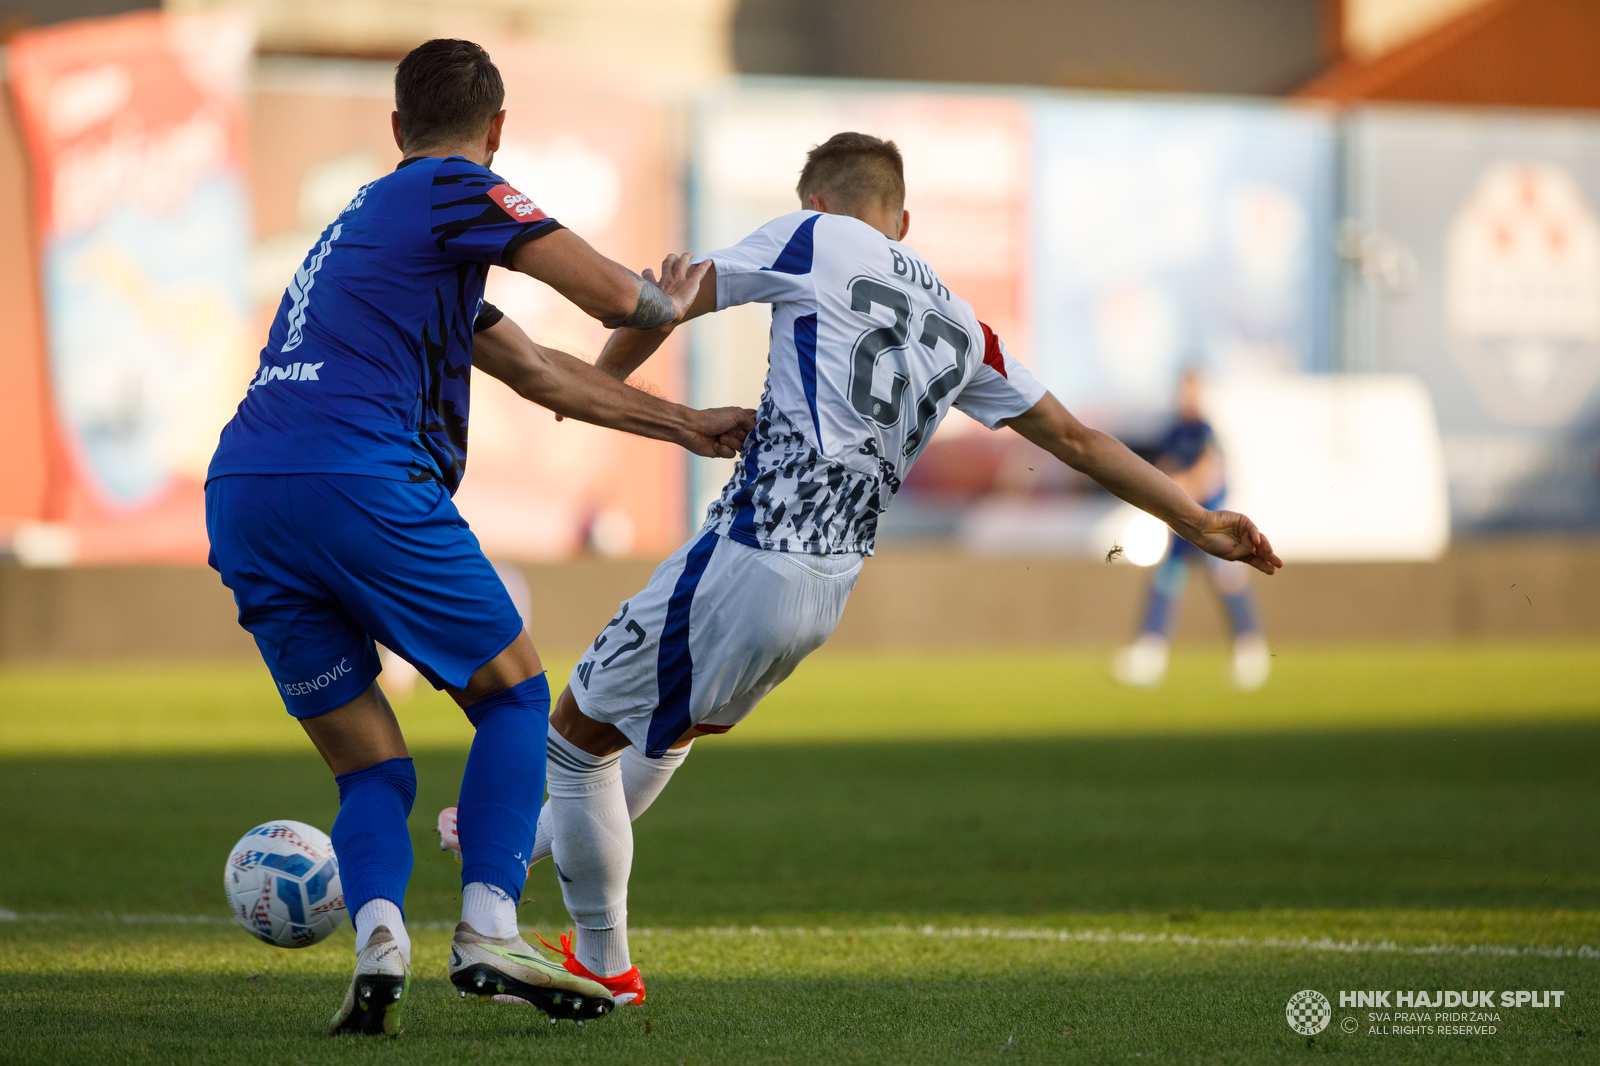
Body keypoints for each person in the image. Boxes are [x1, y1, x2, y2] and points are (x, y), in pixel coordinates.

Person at [436, 132, 1282, 1006]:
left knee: (573, 741)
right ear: (905, 219)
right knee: (663, 734)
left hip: (753, 551)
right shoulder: (965, 326)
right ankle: (537, 851)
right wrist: (1196, 518)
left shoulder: (815, 238)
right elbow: (1075, 440)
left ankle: (601, 961)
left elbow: (662, 302)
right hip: (827, 589)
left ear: (819, 204)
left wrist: (597, 389)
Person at [204, 39, 752, 1036]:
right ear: (494, 132)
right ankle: (489, 923)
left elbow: (543, 372)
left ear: (394, 127)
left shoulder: (372, 235)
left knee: (370, 765)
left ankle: (376, 942)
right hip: (354, 477)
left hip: (243, 495)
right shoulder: (452, 188)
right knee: (515, 694)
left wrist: (684, 423)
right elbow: (606, 294)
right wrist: (667, 302)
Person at [1111, 370, 1270, 690]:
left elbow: (1207, 473)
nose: (1187, 398)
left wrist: (1180, 488)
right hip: (1182, 530)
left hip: (1211, 526)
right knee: (1164, 585)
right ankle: (1149, 657)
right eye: (1183, 392)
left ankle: (1251, 652)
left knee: (1229, 585)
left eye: (1192, 392)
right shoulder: (1173, 432)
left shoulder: (1205, 433)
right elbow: (1164, 470)